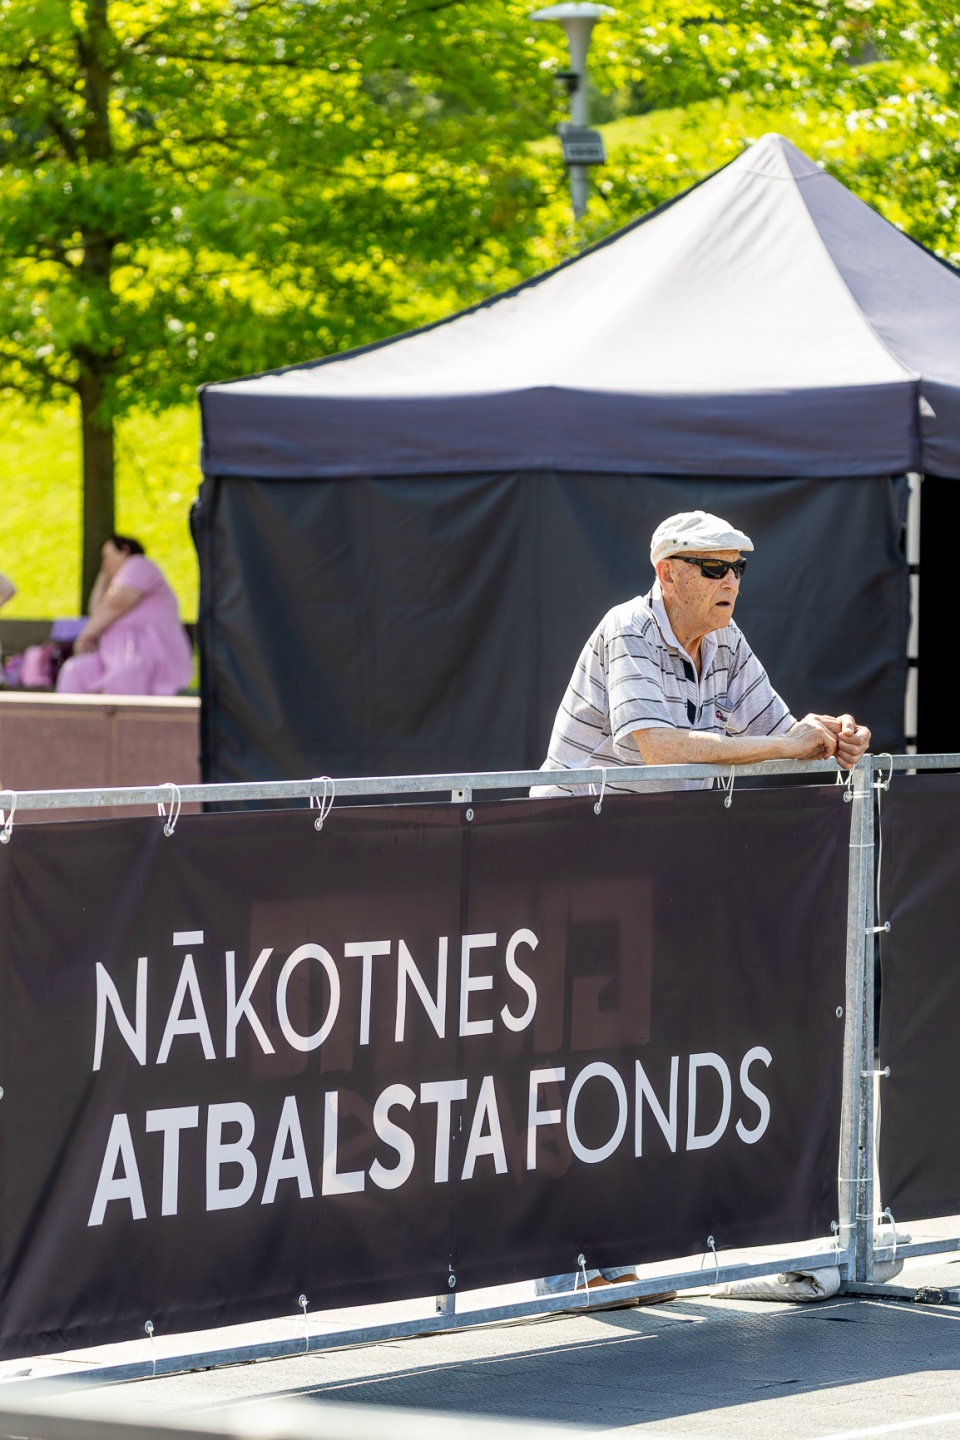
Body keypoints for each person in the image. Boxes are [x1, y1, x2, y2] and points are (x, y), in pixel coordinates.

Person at [532, 510, 871, 1304]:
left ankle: (621, 1244)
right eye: (713, 569)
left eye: (738, 569)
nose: (731, 584)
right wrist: (789, 745)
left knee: (653, 1057)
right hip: (568, 863)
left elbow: (778, 733)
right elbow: (657, 746)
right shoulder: (627, 629)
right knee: (584, 1060)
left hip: (650, 868)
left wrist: (829, 737)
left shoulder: (726, 640)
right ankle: (562, 1255)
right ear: (668, 574)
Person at [56, 535, 193, 696]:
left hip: (144, 656)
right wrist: (104, 575)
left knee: (123, 675)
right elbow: (96, 610)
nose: (105, 563)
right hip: (110, 656)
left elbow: (117, 603)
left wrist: (86, 635)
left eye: (107, 556)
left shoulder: (138, 564)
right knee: (74, 671)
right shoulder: (117, 581)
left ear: (124, 551)